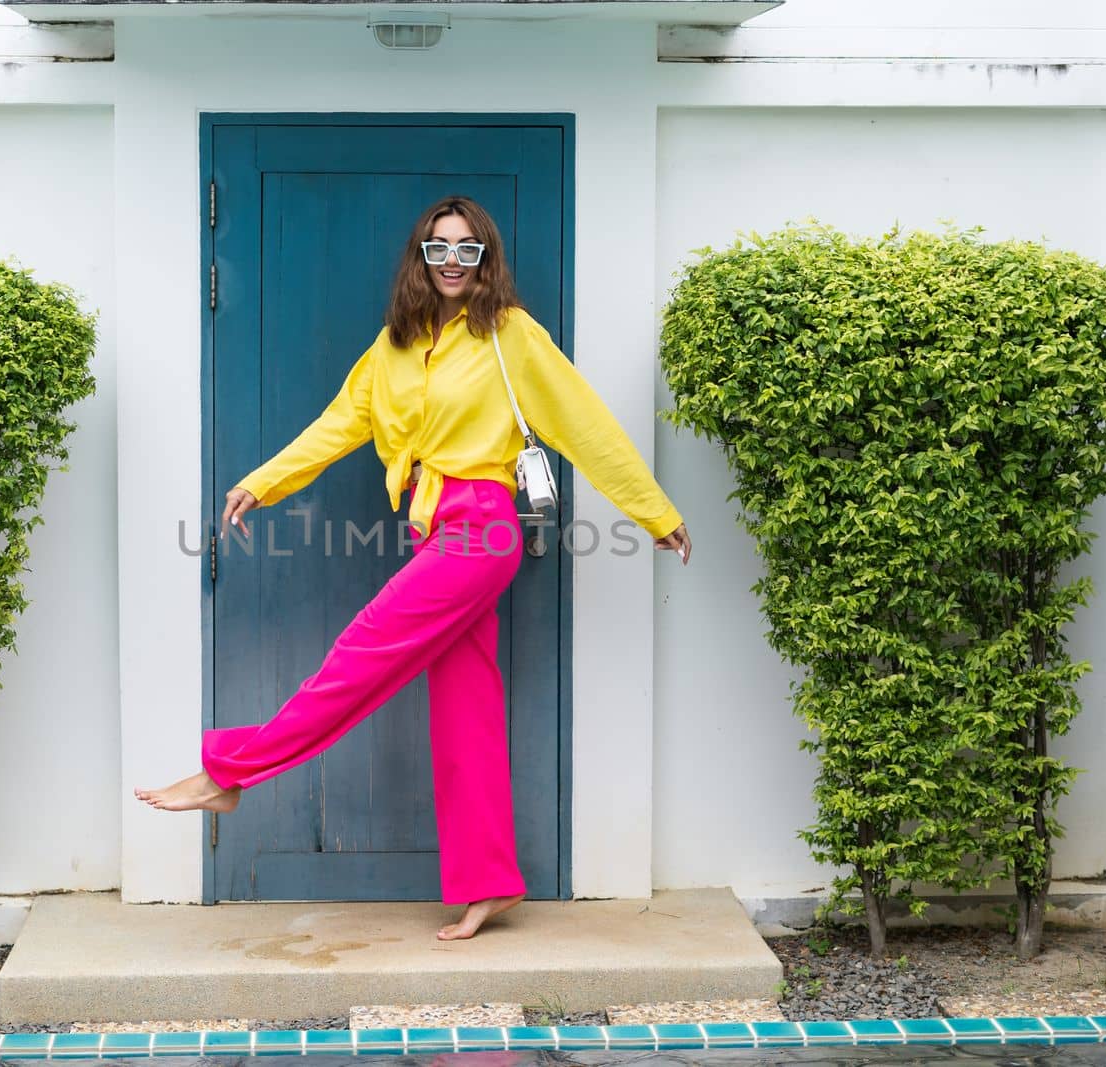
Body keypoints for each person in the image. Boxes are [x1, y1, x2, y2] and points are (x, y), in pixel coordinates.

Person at [136, 196, 691, 941]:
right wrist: (263, 482)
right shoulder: (393, 347)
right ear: (420, 258)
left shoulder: (510, 335)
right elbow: (340, 423)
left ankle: (231, 771)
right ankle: (491, 883)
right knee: (466, 712)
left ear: (487, 259)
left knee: (361, 655)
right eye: (441, 249)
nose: (454, 262)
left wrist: (653, 511)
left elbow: (583, 424)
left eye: (469, 249)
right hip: (436, 527)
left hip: (484, 526)